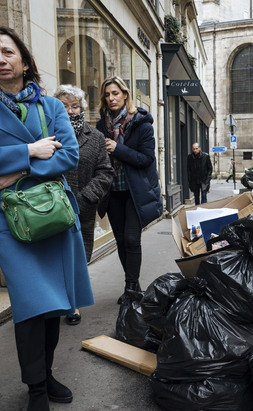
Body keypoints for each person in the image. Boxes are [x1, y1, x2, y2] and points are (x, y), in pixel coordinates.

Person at [0, 27, 94, 411]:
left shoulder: (50, 105)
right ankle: (36, 389)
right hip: (9, 219)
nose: (0, 59)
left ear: (23, 59)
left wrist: (18, 168)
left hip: (51, 212)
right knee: (30, 302)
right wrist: (31, 150)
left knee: (52, 302)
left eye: (8, 51)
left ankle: (46, 374)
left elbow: (69, 154)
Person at [96, 76, 163, 303]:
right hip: (113, 190)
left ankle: (130, 287)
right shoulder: (101, 125)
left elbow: (146, 159)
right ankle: (133, 285)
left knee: (133, 239)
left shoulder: (141, 123)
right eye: (107, 94)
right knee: (121, 239)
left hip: (136, 191)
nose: (112, 98)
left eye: (116, 93)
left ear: (125, 95)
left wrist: (117, 148)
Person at [53, 85, 113, 325]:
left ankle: (73, 304)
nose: (69, 111)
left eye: (74, 106)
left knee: (79, 258)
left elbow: (105, 172)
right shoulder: (44, 135)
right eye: (63, 106)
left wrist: (86, 197)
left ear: (82, 109)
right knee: (54, 258)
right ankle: (57, 301)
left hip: (82, 209)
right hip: (50, 209)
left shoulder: (95, 138)